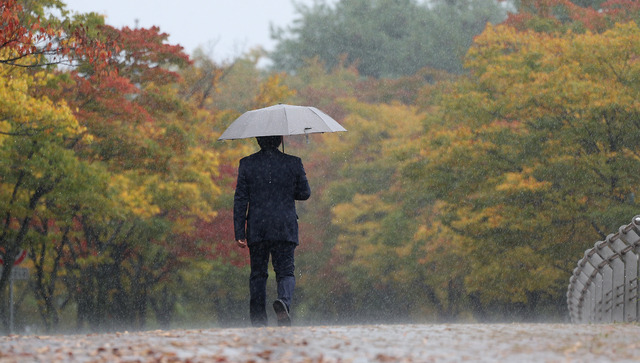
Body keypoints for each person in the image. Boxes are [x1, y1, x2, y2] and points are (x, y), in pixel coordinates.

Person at [233, 135, 311, 327]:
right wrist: (285, 188)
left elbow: (240, 199)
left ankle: (259, 320)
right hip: (284, 226)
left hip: (258, 227)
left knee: (258, 274)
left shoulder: (247, 164)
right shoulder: (293, 162)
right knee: (285, 272)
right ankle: (283, 302)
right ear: (279, 140)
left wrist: (239, 232)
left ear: (259, 140)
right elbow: (305, 193)